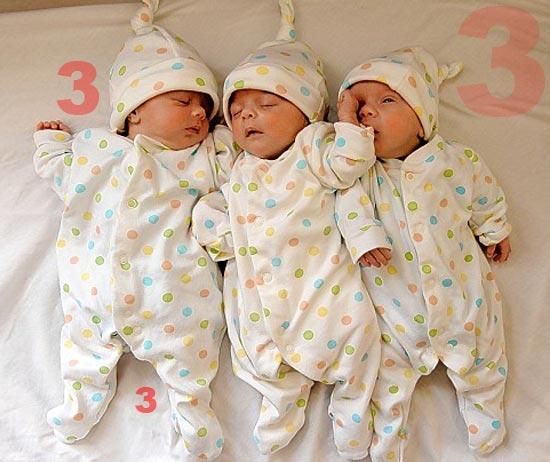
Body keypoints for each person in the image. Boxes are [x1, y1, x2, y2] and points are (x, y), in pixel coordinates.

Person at [33, 1, 238, 459]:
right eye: (183, 102)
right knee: (83, 353)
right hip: (96, 289)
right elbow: (60, 174)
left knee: (189, 360)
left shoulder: (204, 157)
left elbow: (237, 171)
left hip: (176, 288)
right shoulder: (96, 150)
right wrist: (50, 143)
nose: (198, 115)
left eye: (205, 109)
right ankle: (79, 406)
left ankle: (195, 419)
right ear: (134, 112)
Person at [191, 1, 381, 459]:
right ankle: (282, 404)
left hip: (323, 284)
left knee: (355, 344)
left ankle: (353, 413)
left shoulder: (313, 147)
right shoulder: (238, 167)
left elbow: (350, 164)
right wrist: (215, 228)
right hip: (258, 291)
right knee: (265, 357)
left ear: (305, 114)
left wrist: (347, 122)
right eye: (237, 112)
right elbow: (214, 211)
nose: (247, 117)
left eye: (266, 104)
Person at [335, 46, 511, 462]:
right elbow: (348, 209)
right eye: (360, 107)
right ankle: (385, 443)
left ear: (421, 120)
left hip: (461, 296)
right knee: (384, 375)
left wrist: (494, 228)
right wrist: (364, 237)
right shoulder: (361, 173)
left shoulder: (455, 160)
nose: (368, 112)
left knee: (482, 351)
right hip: (394, 308)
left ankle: (486, 413)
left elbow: (484, 195)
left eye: (386, 101)